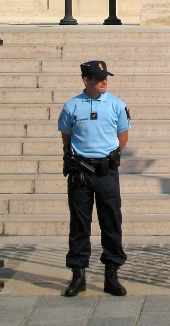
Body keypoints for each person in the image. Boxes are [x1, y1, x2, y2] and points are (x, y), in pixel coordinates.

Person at [58, 60, 130, 297]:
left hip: (106, 171)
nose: (104, 81)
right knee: (79, 224)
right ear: (85, 80)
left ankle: (112, 274)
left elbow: (122, 136)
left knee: (111, 221)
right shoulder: (72, 106)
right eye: (98, 78)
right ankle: (78, 275)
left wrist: (108, 158)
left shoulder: (117, 105)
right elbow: (66, 136)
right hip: (81, 172)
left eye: (105, 77)